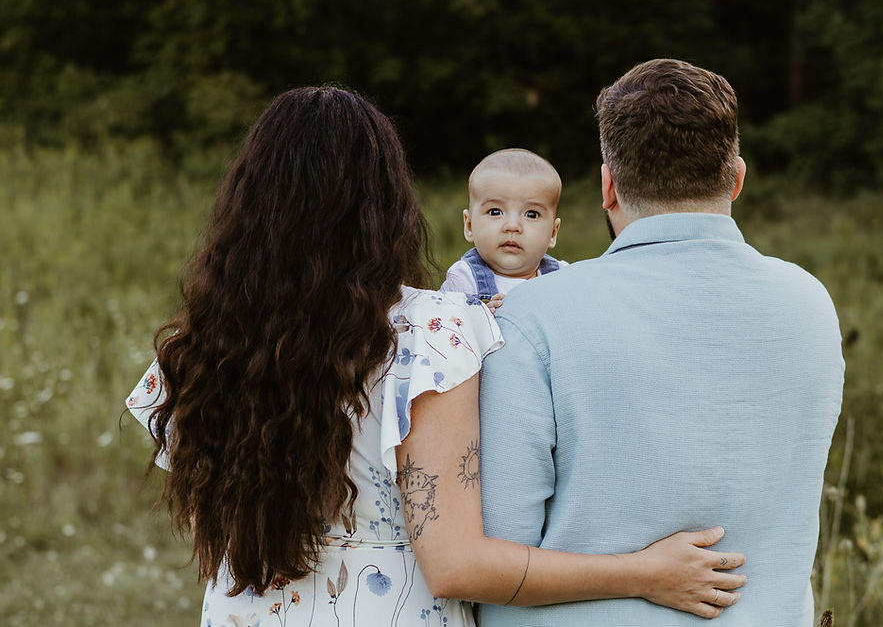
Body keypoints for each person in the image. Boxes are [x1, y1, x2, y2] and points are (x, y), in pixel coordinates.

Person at [125, 86, 748, 627]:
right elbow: (457, 565)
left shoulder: (198, 349)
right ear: (384, 207)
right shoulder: (433, 332)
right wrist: (643, 572)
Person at [478, 59, 845, 626]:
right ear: (738, 178)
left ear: (607, 186)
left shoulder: (532, 317)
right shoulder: (810, 303)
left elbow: (498, 552)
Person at [440, 148, 568, 309]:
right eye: (495, 212)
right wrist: (477, 317)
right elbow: (444, 326)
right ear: (469, 226)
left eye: (532, 214)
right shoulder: (464, 279)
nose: (512, 226)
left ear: (553, 233)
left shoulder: (563, 277)